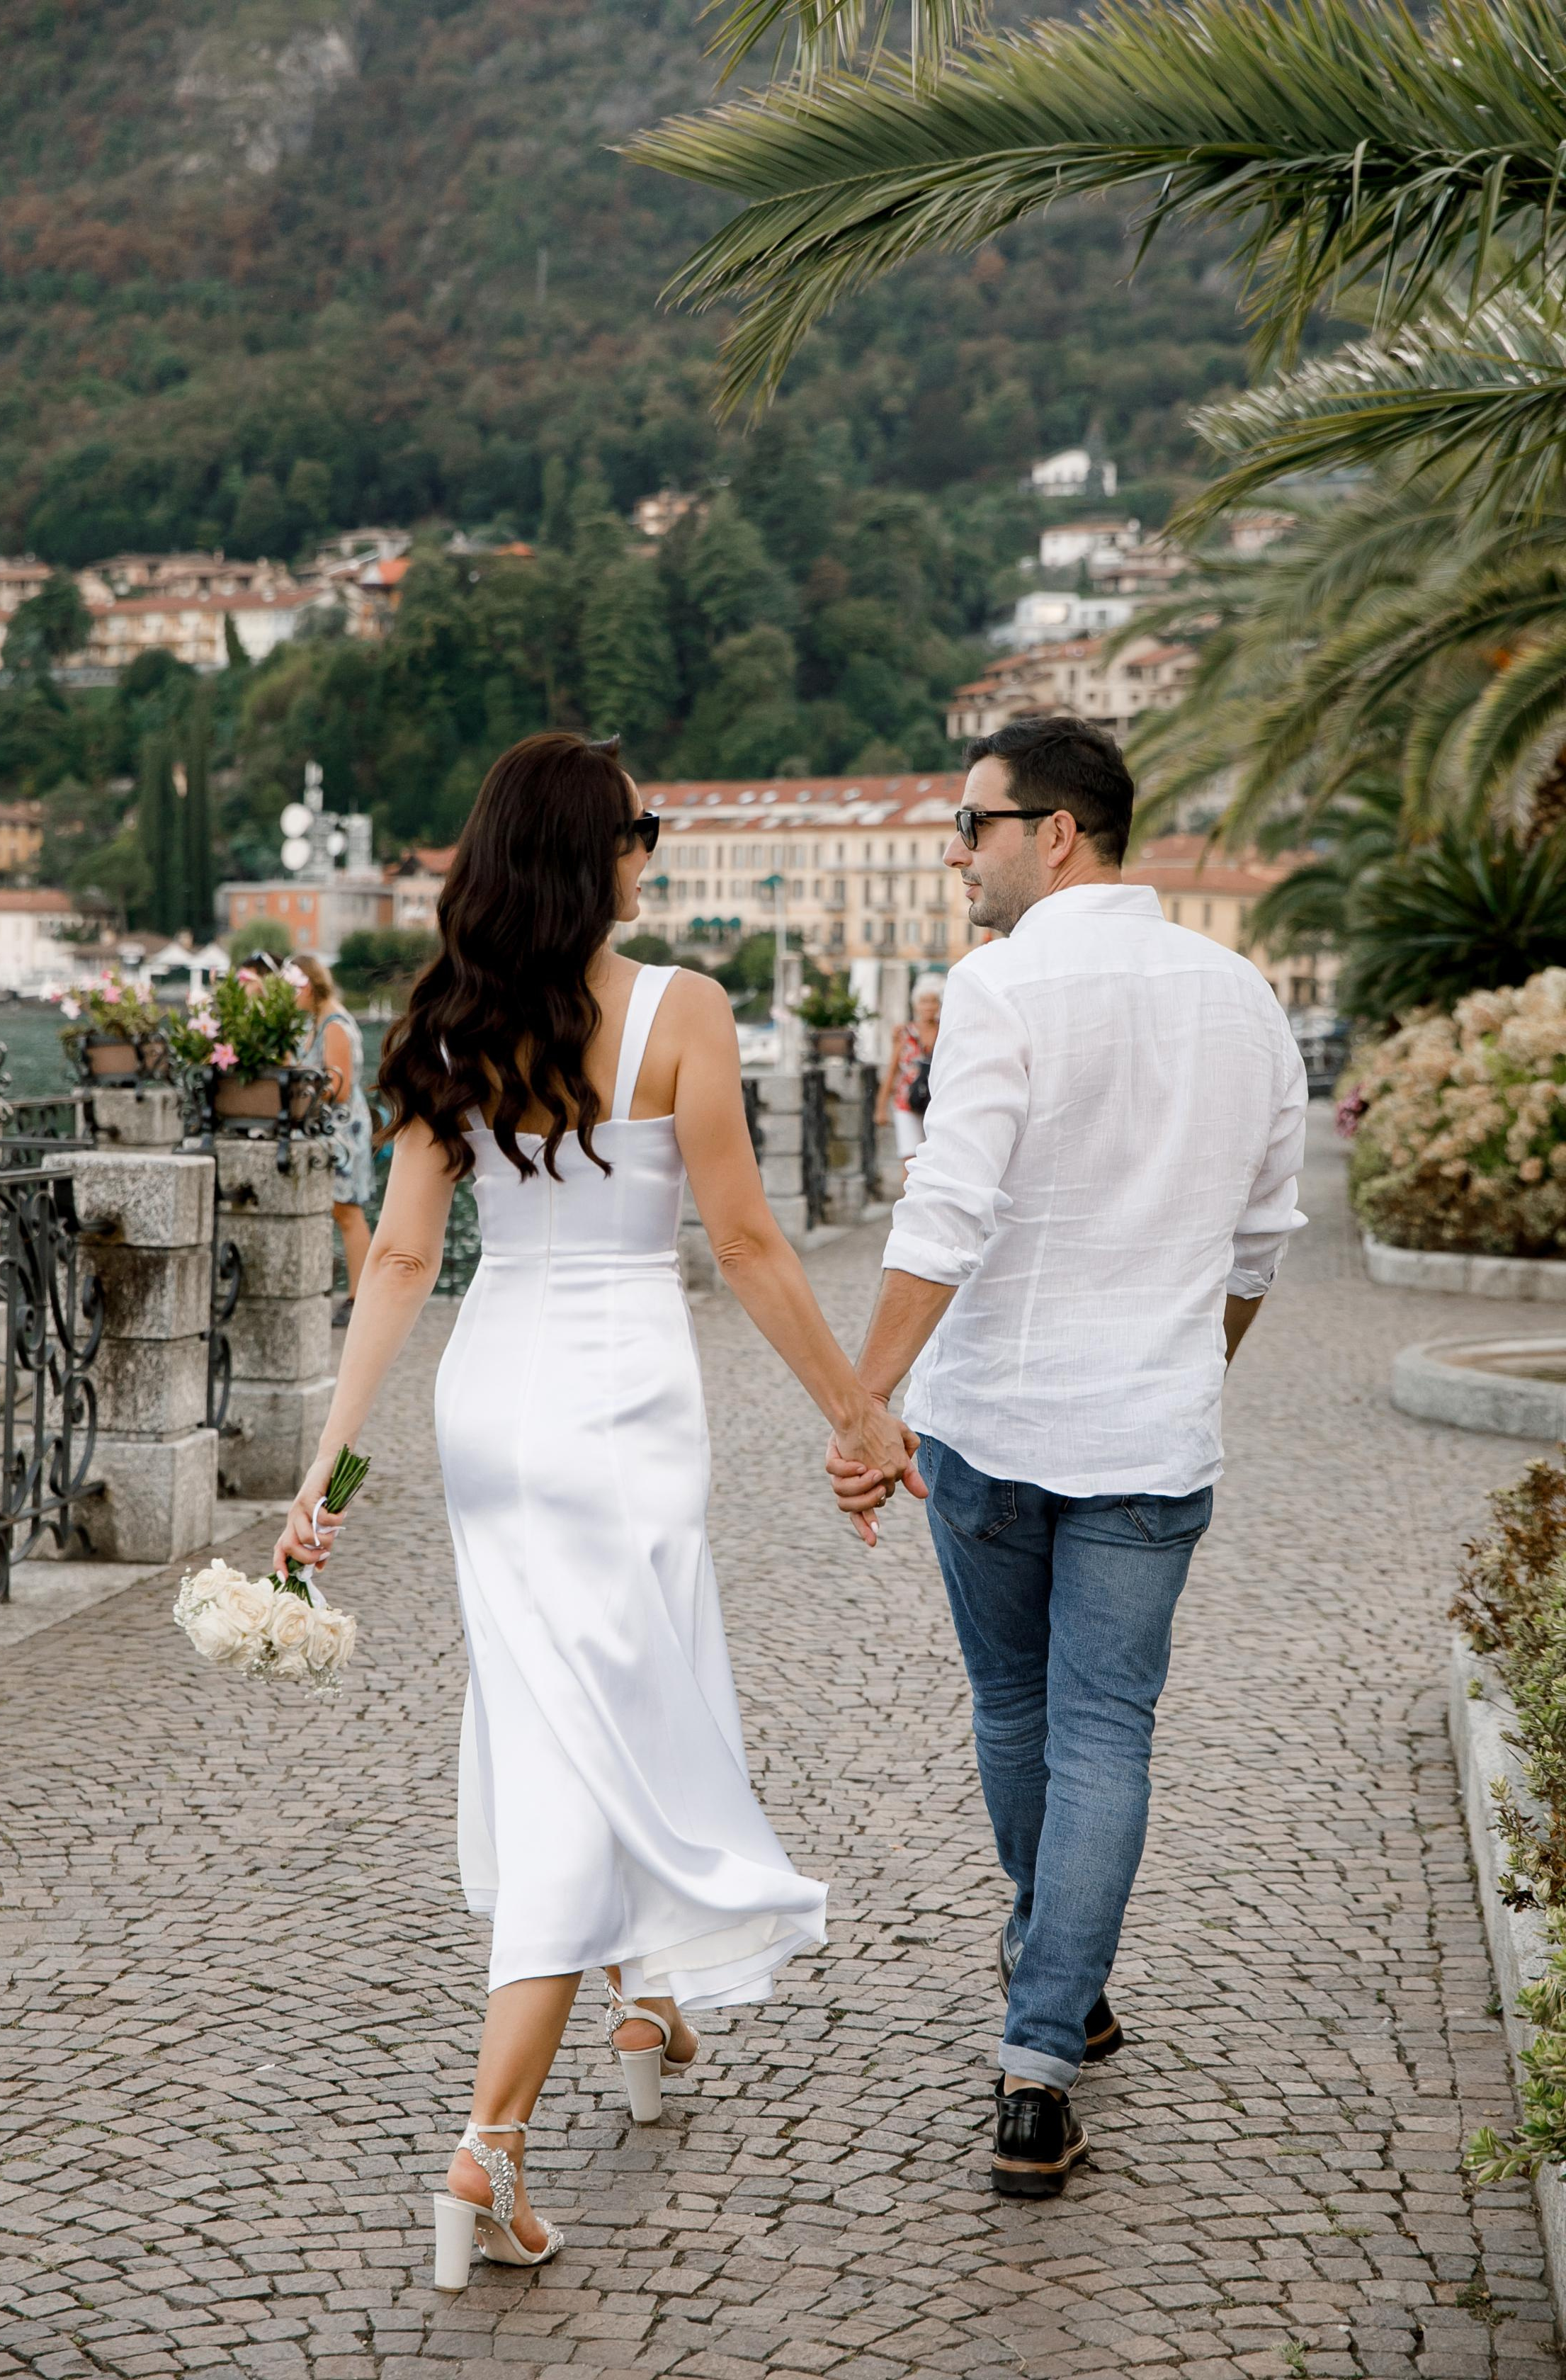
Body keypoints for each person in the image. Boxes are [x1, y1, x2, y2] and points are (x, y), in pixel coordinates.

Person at [274, 731, 917, 2288]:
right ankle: (488, 2144)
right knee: (590, 1728)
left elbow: (402, 1262)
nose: (652, 850)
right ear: (594, 853)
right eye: (641, 828)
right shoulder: (681, 1010)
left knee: (568, 1704)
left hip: (491, 1407)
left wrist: (326, 1476)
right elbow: (747, 1245)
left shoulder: (446, 1019)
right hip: (622, 1407)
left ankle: (643, 2002)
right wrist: (856, 1414)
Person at [829, 715, 1306, 2203]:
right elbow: (1262, 1240)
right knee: (1105, 1733)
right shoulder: (1244, 998)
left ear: (1055, 832)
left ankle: (1048, 1986)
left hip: (995, 1421)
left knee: (1018, 1709)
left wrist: (864, 1404)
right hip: (1149, 1435)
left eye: (972, 826)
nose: (955, 856)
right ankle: (1044, 2053)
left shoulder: (1000, 985)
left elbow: (946, 1210)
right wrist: (1187, 1370)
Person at [293, 954, 374, 1325]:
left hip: (342, 1130)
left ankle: (361, 1298)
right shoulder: (319, 1021)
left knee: (348, 1211)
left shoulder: (334, 1024)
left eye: (294, 989)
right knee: (339, 1209)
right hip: (327, 1130)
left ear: (309, 986)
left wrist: (298, 1094)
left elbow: (338, 1087)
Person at [873, 978, 943, 1161]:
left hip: (937, 1101)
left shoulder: (945, 1032)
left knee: (935, 1157)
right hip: (907, 1100)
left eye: (933, 1001)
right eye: (924, 1001)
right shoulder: (904, 1034)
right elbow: (892, 1071)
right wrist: (881, 1107)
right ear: (916, 1005)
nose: (929, 1006)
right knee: (910, 1156)